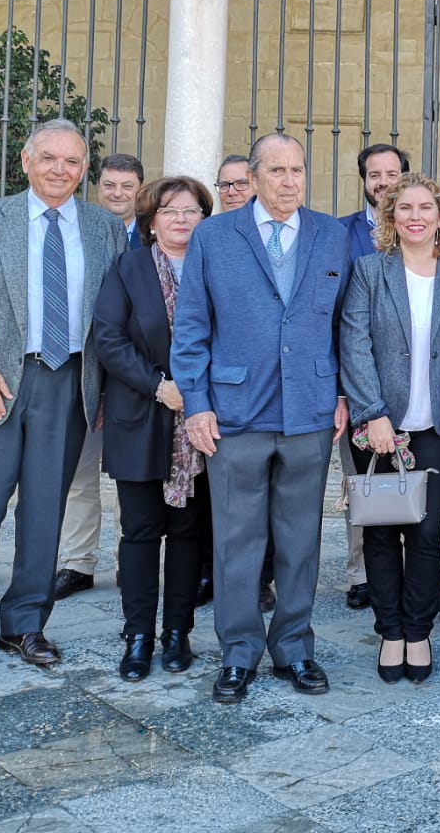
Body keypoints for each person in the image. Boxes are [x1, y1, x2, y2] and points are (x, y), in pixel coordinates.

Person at [0, 119, 127, 672]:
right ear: (25, 160)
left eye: (71, 161)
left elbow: (115, 316)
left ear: (84, 169)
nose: (59, 170)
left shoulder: (103, 227)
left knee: (46, 513)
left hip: (68, 386)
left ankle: (25, 625)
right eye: (48, 158)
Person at [173, 133, 350, 705]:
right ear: (253, 177)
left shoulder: (331, 235)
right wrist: (196, 404)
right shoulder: (215, 236)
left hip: (311, 411)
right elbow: (192, 327)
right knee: (237, 540)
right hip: (234, 413)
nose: (289, 181)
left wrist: (346, 394)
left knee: (301, 539)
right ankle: (239, 651)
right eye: (277, 171)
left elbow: (348, 324)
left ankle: (295, 647)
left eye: (297, 170)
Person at [340, 173, 440, 684]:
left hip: (436, 426)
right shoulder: (370, 271)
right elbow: (354, 344)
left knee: (425, 532)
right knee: (378, 531)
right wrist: (372, 412)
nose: (416, 216)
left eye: (426, 207)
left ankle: (418, 632)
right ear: (389, 215)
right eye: (405, 207)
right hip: (379, 427)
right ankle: (389, 630)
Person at [92, 176, 214, 682]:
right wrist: (158, 385)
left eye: (191, 211)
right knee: (140, 533)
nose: (181, 219)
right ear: (150, 221)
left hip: (203, 422)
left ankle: (177, 632)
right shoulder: (128, 268)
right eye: (170, 211)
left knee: (189, 533)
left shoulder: (217, 267)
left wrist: (200, 391)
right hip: (142, 415)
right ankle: (138, 634)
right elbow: (108, 337)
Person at [54, 150, 148, 602]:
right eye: (109, 185)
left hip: (139, 377)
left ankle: (132, 560)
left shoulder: (155, 235)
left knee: (138, 474)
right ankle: (77, 561)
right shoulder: (83, 231)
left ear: (139, 190)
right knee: (78, 472)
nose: (116, 194)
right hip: (87, 370)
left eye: (126, 187)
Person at [335, 142, 411, 611]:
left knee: (412, 477)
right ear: (363, 180)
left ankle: (410, 569)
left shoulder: (421, 228)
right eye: (374, 174)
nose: (382, 182)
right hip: (360, 376)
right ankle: (361, 571)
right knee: (361, 479)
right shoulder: (339, 234)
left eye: (391, 173)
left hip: (416, 382)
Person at [197, 151, 259, 609]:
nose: (233, 192)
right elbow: (196, 325)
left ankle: (263, 584)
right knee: (228, 516)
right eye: (226, 185)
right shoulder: (211, 237)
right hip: (227, 401)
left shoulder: (319, 235)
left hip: (293, 405)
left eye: (241, 183)